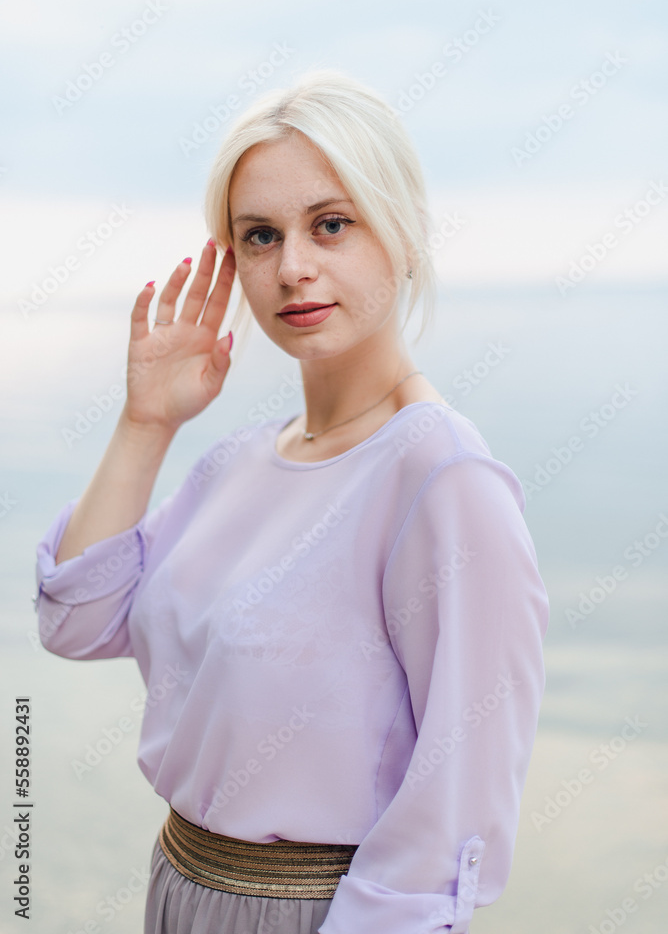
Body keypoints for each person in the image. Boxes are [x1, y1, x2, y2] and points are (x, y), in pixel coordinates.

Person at [34, 67, 550, 934]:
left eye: (331, 225)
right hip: (179, 892)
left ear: (405, 232)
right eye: (261, 237)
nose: (294, 268)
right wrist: (144, 422)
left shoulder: (443, 480)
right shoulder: (238, 463)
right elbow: (75, 622)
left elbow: (454, 813)